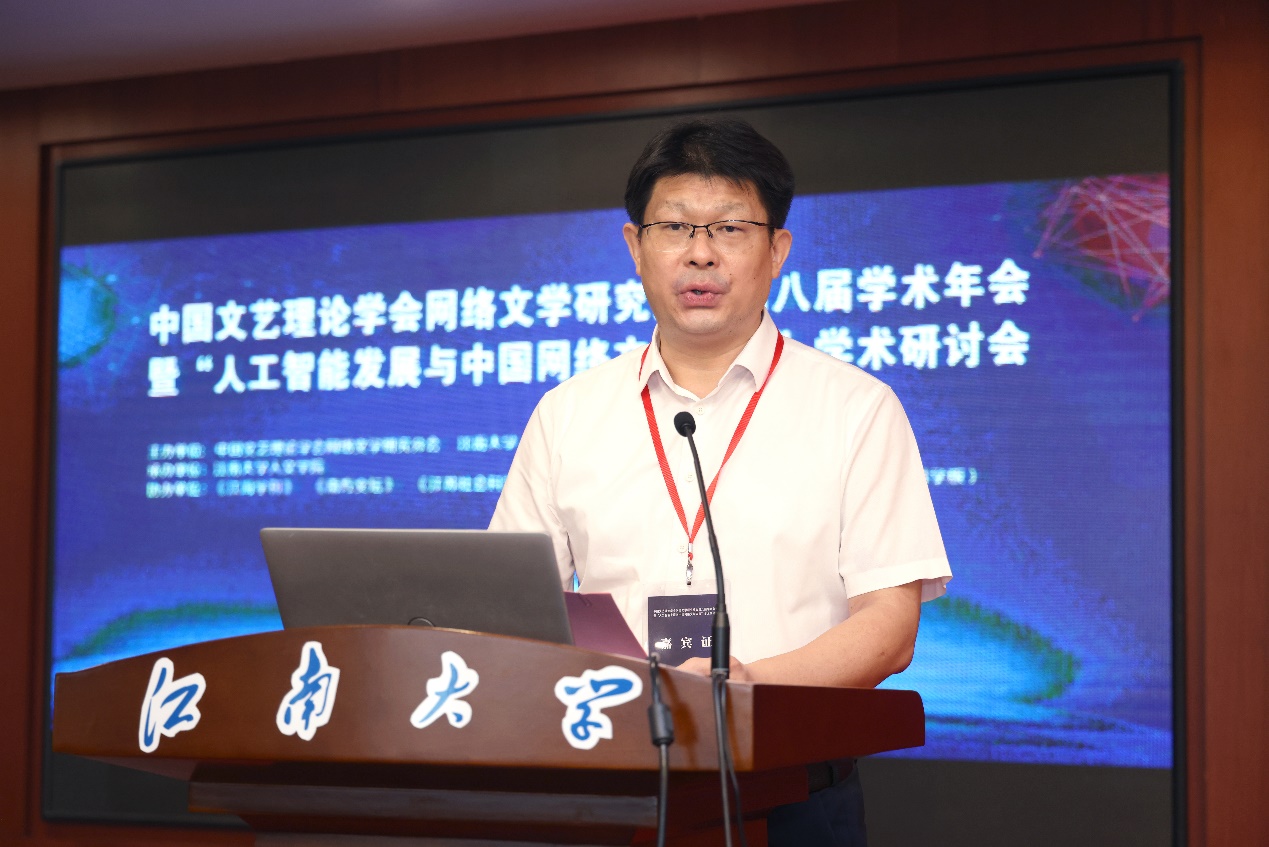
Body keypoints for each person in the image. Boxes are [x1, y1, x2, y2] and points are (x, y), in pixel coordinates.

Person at [490, 116, 952, 845]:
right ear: (634, 247)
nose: (699, 253)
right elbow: (511, 610)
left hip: (793, 791)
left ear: (777, 251)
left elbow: (888, 628)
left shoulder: (855, 407)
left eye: (730, 228)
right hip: (609, 785)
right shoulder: (567, 413)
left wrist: (742, 688)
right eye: (674, 226)